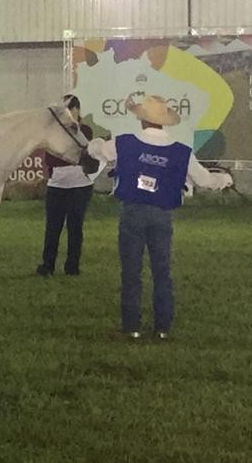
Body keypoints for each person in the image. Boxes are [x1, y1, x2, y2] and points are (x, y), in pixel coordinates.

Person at [87, 94, 233, 341]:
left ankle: (132, 327)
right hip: (162, 215)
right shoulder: (182, 152)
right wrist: (226, 179)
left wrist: (95, 143)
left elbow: (96, 149)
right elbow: (205, 180)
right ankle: (162, 328)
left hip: (132, 211)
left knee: (131, 272)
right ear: (164, 121)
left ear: (141, 119)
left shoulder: (124, 143)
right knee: (162, 271)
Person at [36, 95, 95, 276]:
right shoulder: (55, 132)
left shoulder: (84, 130)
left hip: (80, 185)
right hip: (58, 185)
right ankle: (48, 264)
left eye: (70, 109)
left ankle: (72, 266)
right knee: (53, 227)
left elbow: (82, 154)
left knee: (75, 227)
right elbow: (51, 158)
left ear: (77, 110)